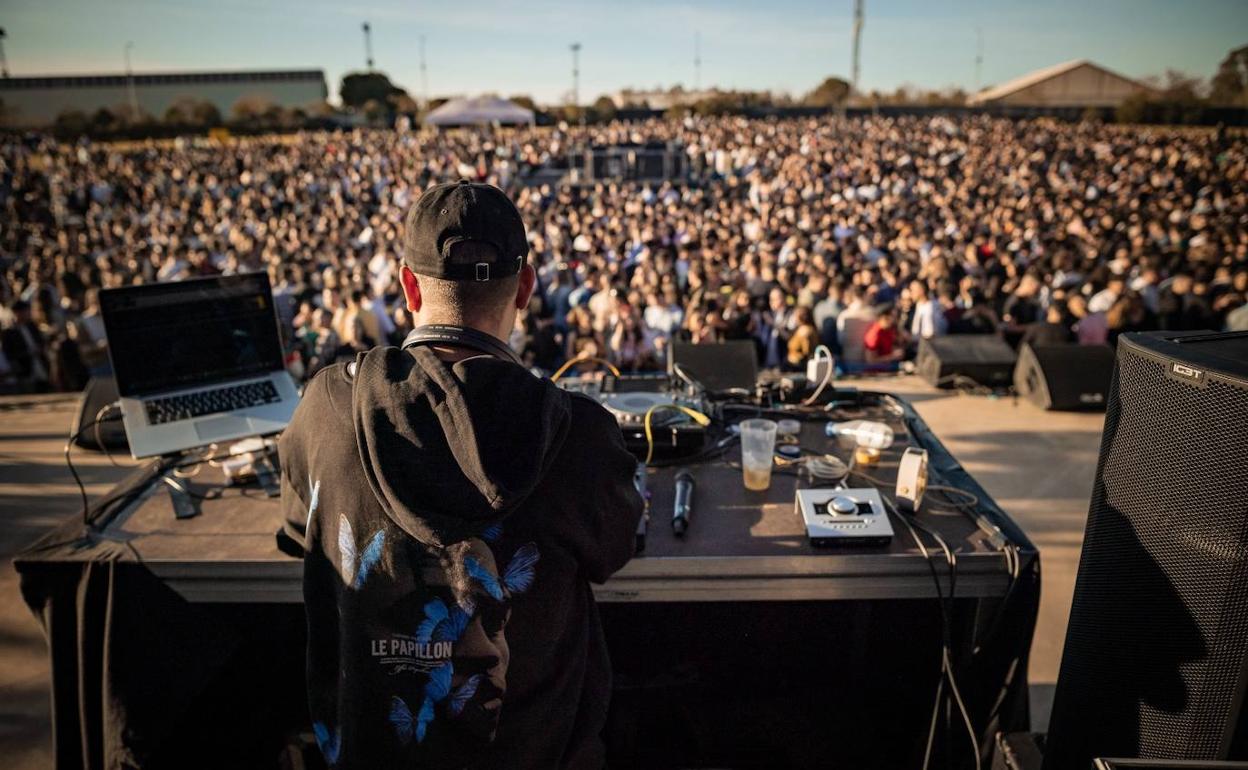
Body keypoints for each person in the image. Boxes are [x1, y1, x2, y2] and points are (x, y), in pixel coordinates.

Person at [280, 182, 643, 769]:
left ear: (407, 286)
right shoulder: (579, 433)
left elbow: (302, 529)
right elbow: (617, 545)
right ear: (525, 288)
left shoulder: (325, 407)